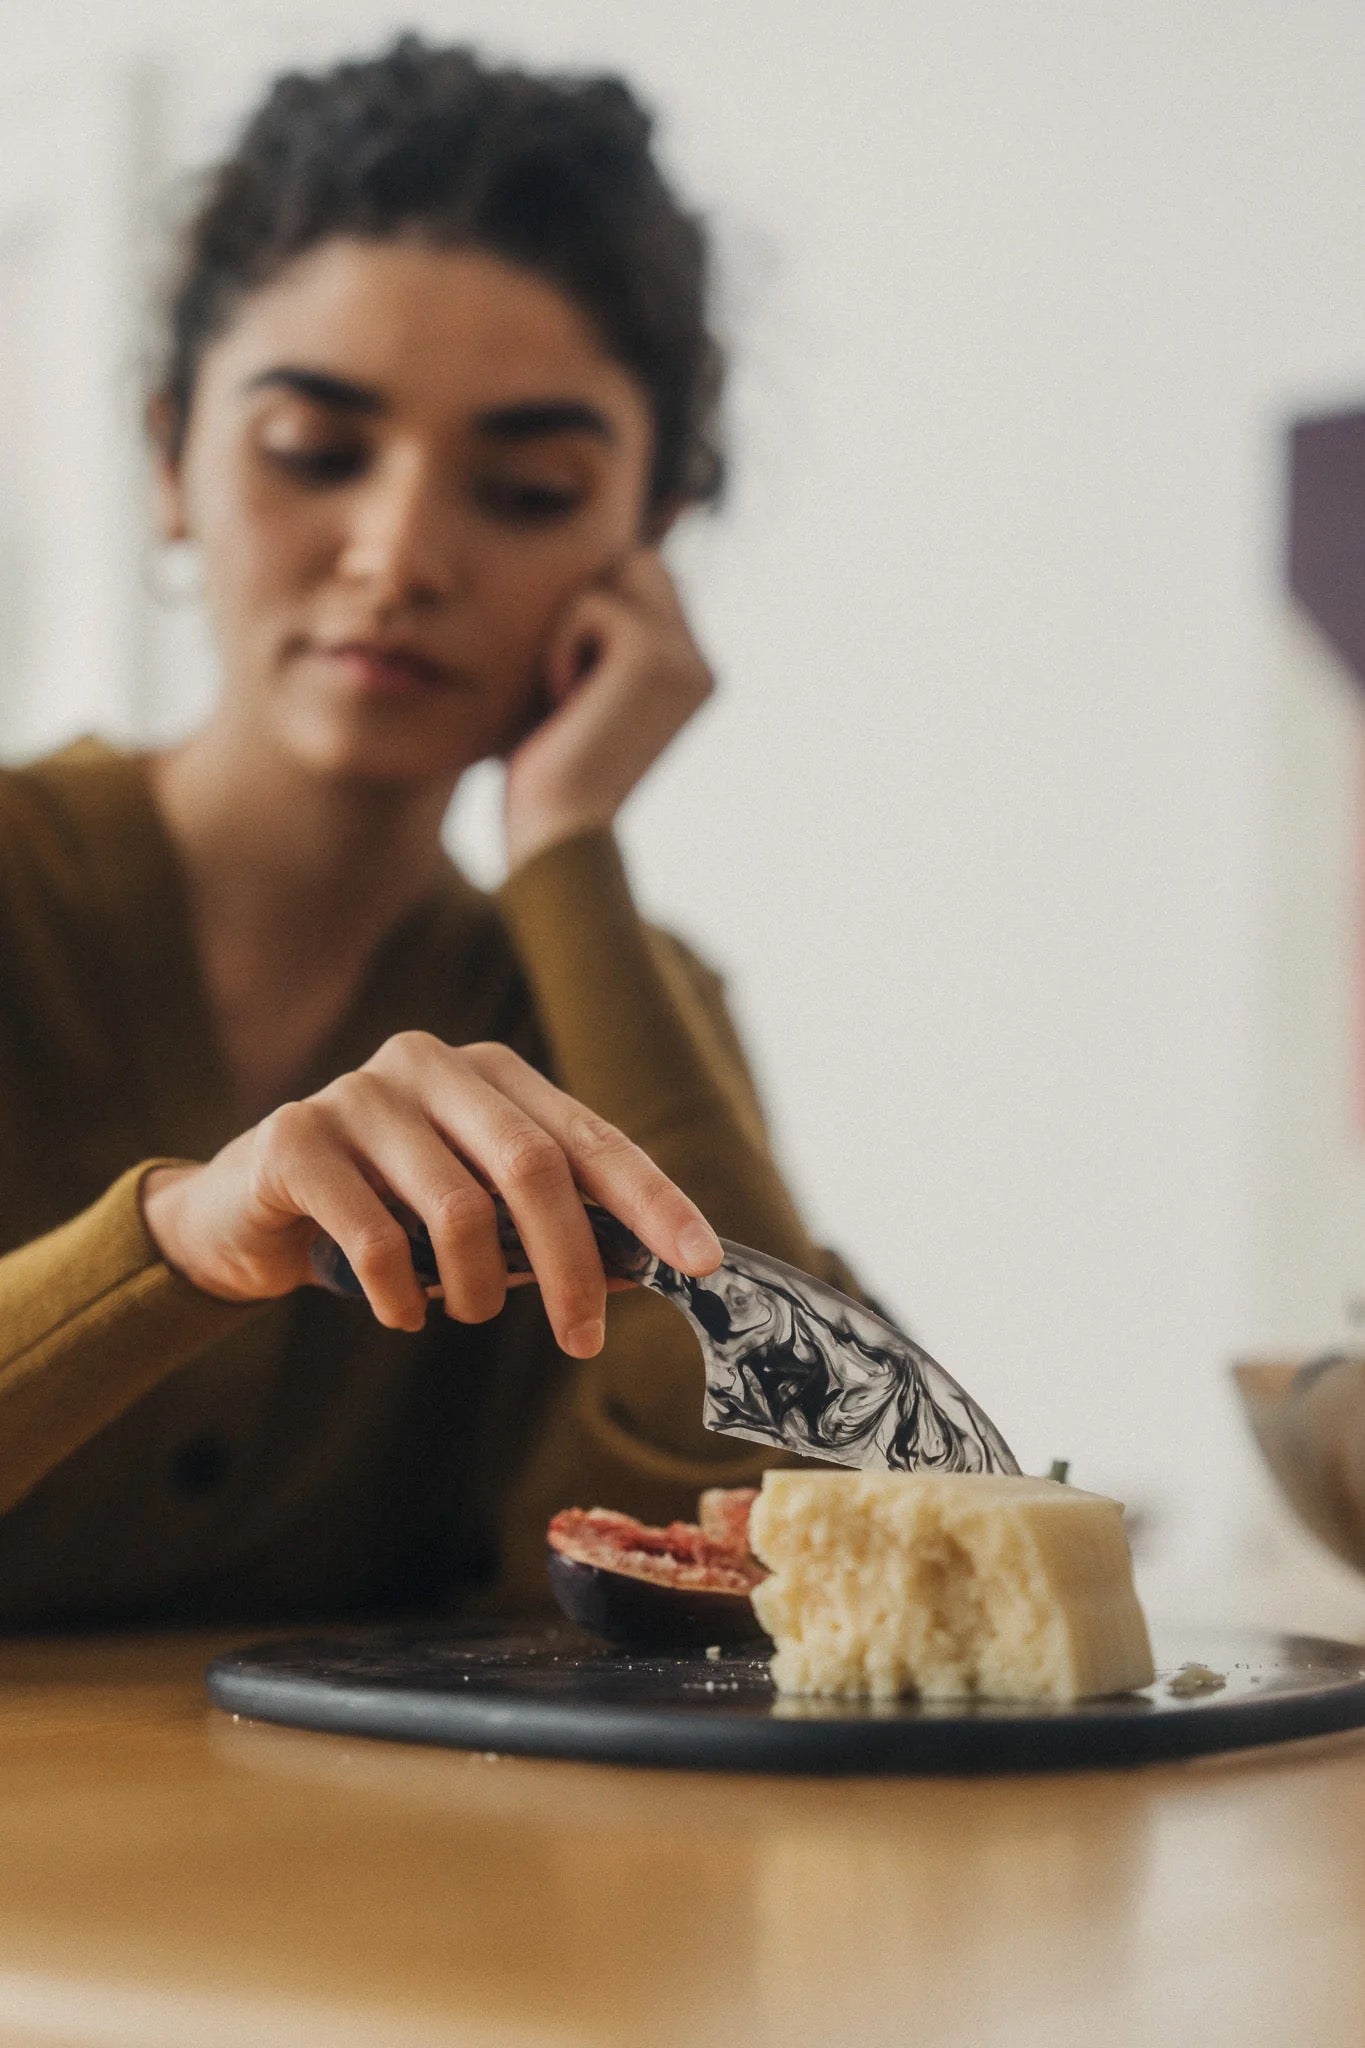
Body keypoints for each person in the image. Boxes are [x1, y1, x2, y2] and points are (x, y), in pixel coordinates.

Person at [0, 34, 858, 1626]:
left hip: (386, 1882)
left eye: (525, 486)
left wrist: (570, 857)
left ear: (645, 536)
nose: (396, 553)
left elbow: (804, 1561)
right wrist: (176, 1248)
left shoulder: (610, 1006)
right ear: (170, 453)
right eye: (314, 454)